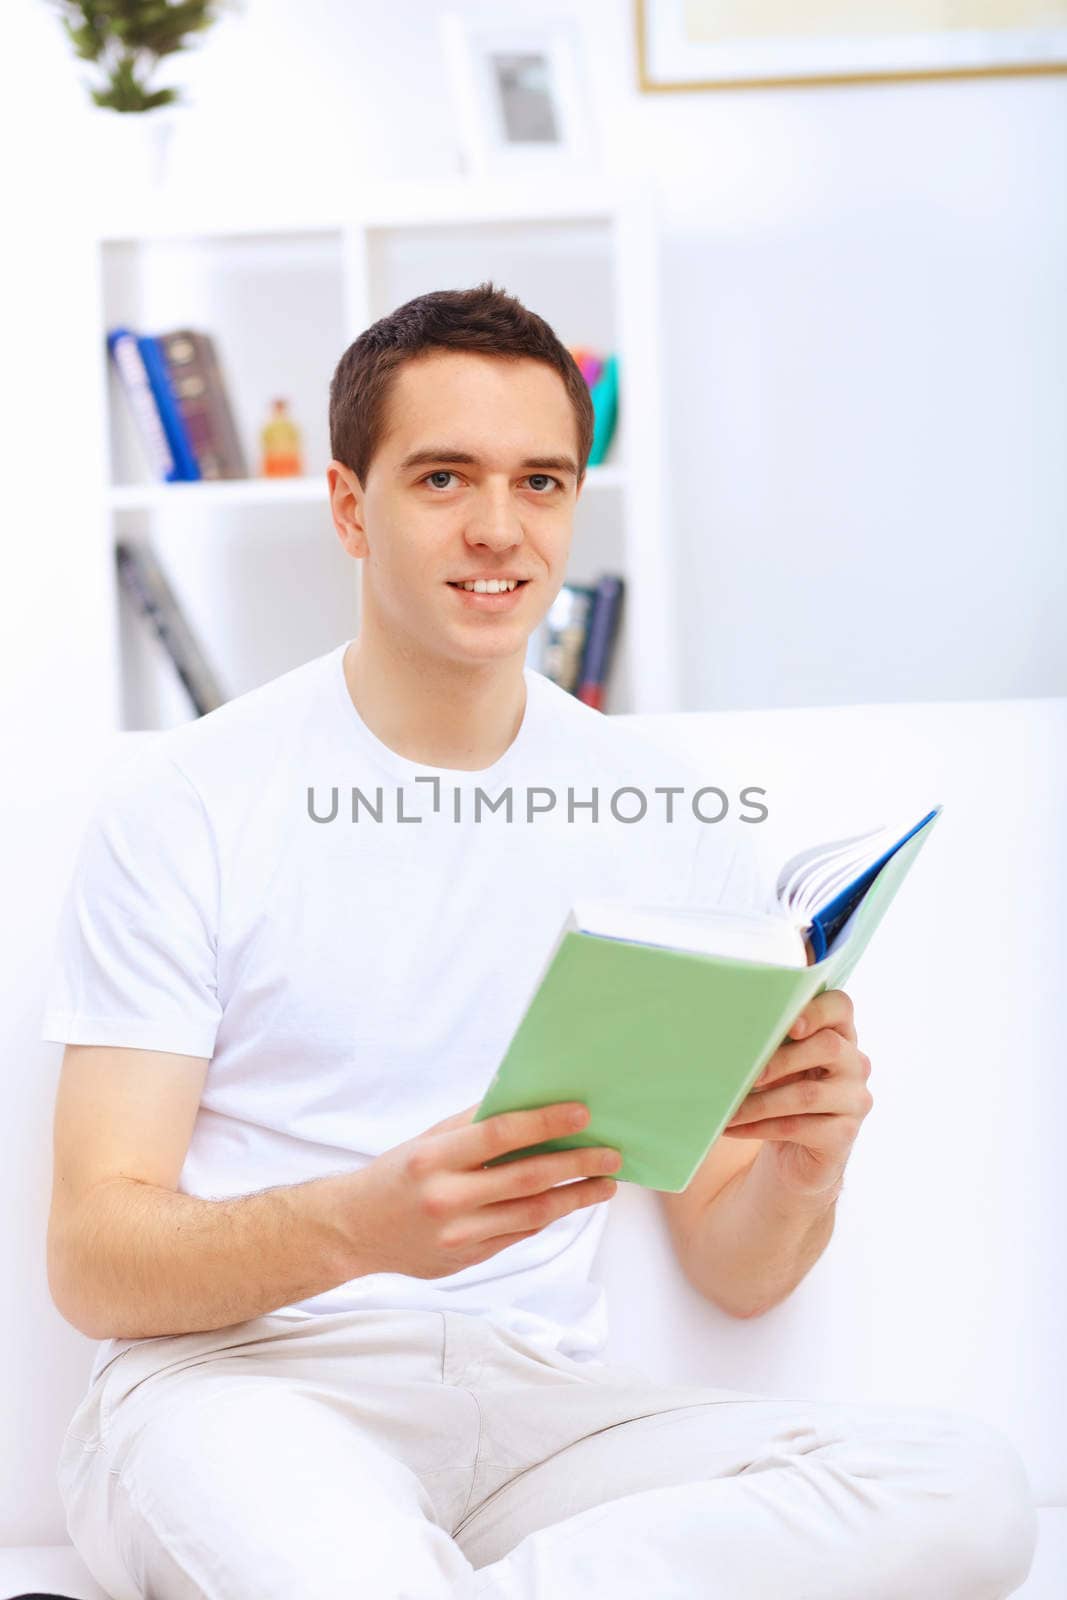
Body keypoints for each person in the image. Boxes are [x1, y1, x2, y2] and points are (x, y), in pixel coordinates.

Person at [43, 282, 1037, 1600]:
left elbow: (736, 1270)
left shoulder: (666, 813)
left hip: (538, 1422)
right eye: (444, 478)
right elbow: (93, 1257)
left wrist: (805, 1159)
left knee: (964, 1495)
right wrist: (360, 1226)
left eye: (543, 482)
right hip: (242, 1390)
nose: (500, 530)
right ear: (350, 504)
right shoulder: (184, 806)